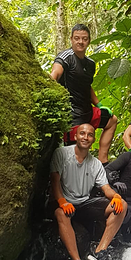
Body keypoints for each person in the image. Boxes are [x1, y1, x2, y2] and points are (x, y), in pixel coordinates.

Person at [49, 123, 127, 260]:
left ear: (93, 139)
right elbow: (55, 181)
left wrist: (116, 196)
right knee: (60, 213)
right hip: (65, 203)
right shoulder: (61, 154)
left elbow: (106, 189)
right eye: (83, 133)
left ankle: (100, 251)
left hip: (84, 204)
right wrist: (62, 202)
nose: (86, 137)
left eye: (90, 135)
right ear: (76, 136)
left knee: (122, 205)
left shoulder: (96, 164)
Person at [50, 23, 117, 165]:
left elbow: (87, 86)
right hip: (72, 115)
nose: (80, 42)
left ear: (89, 40)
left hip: (87, 111)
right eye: (77, 38)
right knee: (76, 158)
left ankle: (103, 163)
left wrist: (99, 104)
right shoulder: (66, 57)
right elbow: (54, 74)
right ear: (71, 39)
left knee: (111, 120)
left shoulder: (90, 64)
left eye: (84, 39)